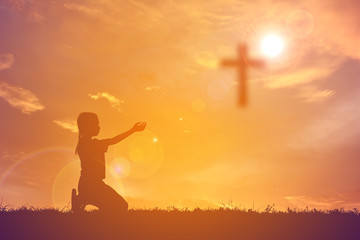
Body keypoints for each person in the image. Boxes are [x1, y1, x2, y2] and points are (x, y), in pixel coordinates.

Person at [71, 112, 146, 213]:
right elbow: (114, 140)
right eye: (96, 124)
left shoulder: (84, 144)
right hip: (93, 186)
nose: (99, 127)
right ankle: (82, 199)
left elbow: (112, 141)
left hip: (88, 184)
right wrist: (133, 130)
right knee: (121, 206)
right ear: (88, 127)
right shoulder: (94, 144)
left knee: (117, 206)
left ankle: (81, 199)